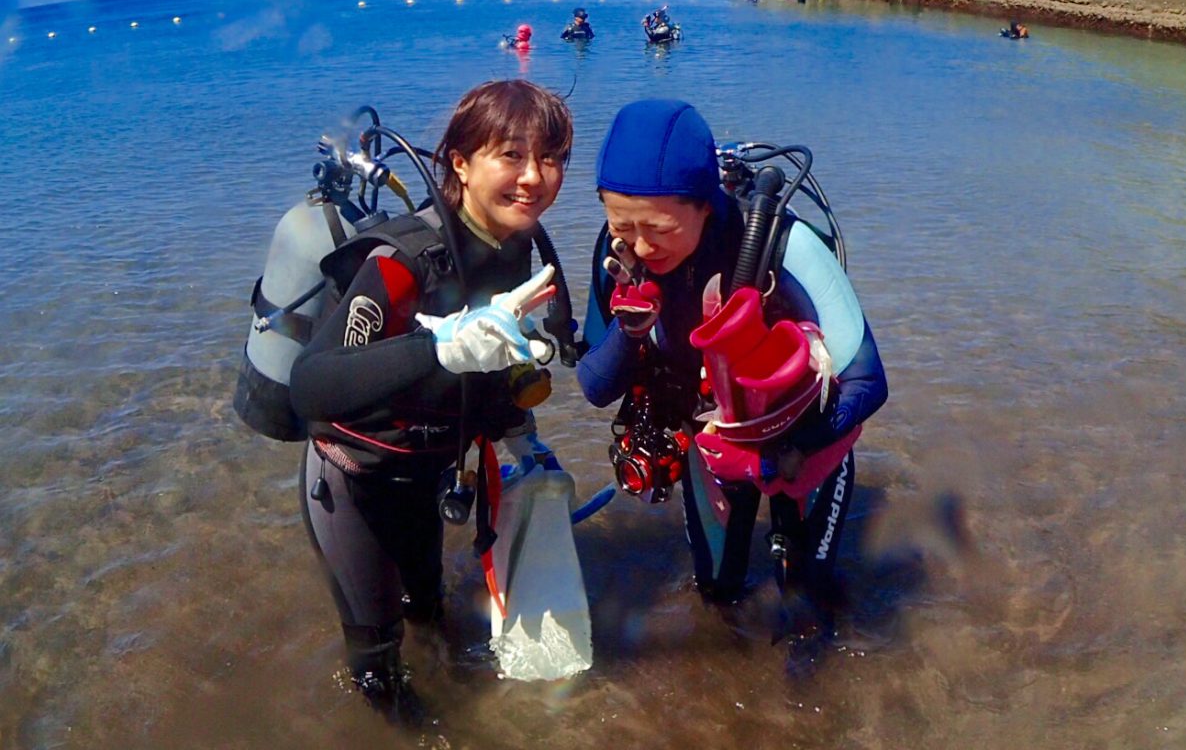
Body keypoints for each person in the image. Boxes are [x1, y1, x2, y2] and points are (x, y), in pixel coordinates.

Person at [290, 79, 572, 724]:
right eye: (511, 155)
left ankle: (461, 701)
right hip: (354, 480)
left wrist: (522, 441)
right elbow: (313, 383)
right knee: (376, 655)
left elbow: (494, 371)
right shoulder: (403, 262)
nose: (534, 177)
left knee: (431, 610)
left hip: (429, 475)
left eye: (551, 158)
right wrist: (437, 352)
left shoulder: (517, 247)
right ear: (461, 164)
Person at [576, 99, 887, 661]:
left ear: (704, 205)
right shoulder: (618, 253)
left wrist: (794, 446)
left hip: (805, 446)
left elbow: (869, 381)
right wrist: (629, 332)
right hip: (712, 448)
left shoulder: (784, 245)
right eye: (622, 225)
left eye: (659, 228)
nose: (639, 246)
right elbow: (595, 387)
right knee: (717, 596)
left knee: (808, 599)